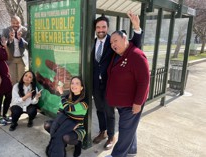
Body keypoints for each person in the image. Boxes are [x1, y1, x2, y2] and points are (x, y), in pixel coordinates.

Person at [92, 12, 143, 150]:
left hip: (110, 87)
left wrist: (137, 29)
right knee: (99, 110)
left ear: (107, 28)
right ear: (95, 29)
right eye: (98, 27)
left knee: (109, 113)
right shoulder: (91, 42)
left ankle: (111, 136)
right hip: (96, 86)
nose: (101, 30)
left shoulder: (114, 41)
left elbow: (133, 44)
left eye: (103, 27)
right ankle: (102, 132)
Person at [105, 30, 150, 157]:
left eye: (116, 41)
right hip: (121, 102)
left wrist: (138, 103)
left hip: (131, 103)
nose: (113, 44)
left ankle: (117, 155)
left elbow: (144, 82)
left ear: (125, 40)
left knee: (125, 130)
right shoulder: (118, 54)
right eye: (111, 42)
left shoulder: (136, 55)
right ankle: (131, 150)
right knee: (130, 128)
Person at [44, 76, 88, 157]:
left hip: (76, 126)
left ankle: (78, 144)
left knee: (66, 137)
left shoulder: (84, 102)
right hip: (63, 123)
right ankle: (60, 144)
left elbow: (68, 108)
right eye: (72, 83)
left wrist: (62, 94)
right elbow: (60, 111)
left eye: (77, 83)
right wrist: (58, 124)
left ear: (81, 87)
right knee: (48, 125)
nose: (74, 85)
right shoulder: (67, 97)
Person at [2, 15, 28, 85]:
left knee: (22, 79)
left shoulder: (25, 30)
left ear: (20, 22)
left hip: (21, 58)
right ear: (10, 23)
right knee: (13, 80)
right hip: (11, 58)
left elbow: (27, 44)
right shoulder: (6, 30)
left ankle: (21, 94)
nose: (15, 25)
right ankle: (14, 95)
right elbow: (3, 44)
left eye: (17, 23)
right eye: (13, 23)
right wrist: (10, 39)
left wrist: (20, 39)